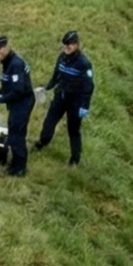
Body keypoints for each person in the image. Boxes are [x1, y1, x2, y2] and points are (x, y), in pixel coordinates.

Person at [36, 30, 94, 166]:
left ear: (76, 45)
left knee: (73, 130)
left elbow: (89, 87)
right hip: (60, 98)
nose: (66, 49)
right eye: (64, 46)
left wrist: (85, 105)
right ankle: (43, 142)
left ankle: (75, 158)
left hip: (75, 101)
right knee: (49, 123)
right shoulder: (62, 57)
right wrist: (47, 88)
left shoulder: (84, 63)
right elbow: (56, 76)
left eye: (69, 46)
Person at [0, 35, 35, 177]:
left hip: (22, 102)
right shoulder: (7, 63)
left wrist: (0, 100)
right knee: (13, 131)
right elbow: (7, 84)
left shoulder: (15, 64)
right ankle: (14, 163)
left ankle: (20, 168)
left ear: (1, 50)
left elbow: (18, 92)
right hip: (16, 102)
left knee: (17, 135)